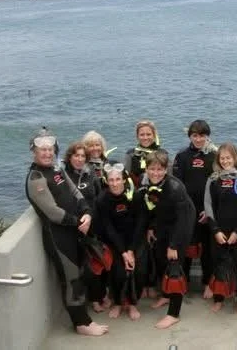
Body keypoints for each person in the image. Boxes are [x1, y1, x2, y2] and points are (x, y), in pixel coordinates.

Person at [25, 127, 108, 337]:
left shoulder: (56, 170)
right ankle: (81, 324)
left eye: (50, 149)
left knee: (80, 274)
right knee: (72, 279)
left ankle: (84, 319)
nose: (47, 153)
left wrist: (87, 212)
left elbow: (74, 192)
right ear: (34, 152)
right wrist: (79, 221)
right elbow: (52, 212)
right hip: (58, 237)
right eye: (42, 150)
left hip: (75, 232)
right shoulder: (36, 177)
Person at [133, 150, 195, 329]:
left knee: (174, 268)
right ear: (146, 169)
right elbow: (152, 208)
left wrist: (174, 245)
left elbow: (183, 219)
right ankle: (166, 296)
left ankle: (173, 314)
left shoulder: (175, 188)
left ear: (166, 169)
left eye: (160, 169)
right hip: (163, 224)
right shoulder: (147, 183)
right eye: (152, 169)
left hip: (181, 227)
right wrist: (151, 227)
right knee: (161, 260)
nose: (156, 173)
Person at [204, 143, 237, 317]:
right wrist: (216, 230)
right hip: (218, 231)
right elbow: (208, 205)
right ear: (218, 160)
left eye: (229, 157)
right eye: (222, 158)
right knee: (218, 266)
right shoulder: (212, 179)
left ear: (235, 158)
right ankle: (219, 299)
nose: (225, 161)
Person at [172, 119, 218, 299]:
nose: (198, 139)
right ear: (190, 136)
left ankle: (208, 283)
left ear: (208, 136)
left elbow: (217, 185)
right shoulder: (182, 156)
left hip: (208, 211)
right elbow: (177, 186)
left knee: (208, 250)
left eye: (202, 136)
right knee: (186, 250)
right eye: (195, 136)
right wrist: (186, 212)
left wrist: (209, 210)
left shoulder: (214, 155)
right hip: (187, 211)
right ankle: (183, 284)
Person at [61, 141, 109, 312]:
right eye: (76, 156)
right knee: (81, 267)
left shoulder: (90, 175)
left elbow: (98, 197)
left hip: (93, 225)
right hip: (73, 226)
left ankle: (98, 298)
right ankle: (85, 299)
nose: (80, 159)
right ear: (69, 157)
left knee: (97, 264)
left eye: (83, 156)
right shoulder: (63, 175)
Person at [96, 163, 142, 321]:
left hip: (134, 239)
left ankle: (132, 304)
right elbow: (108, 228)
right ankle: (117, 302)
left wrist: (131, 250)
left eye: (118, 179)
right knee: (118, 272)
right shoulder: (103, 199)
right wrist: (123, 252)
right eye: (111, 180)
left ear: (124, 180)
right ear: (106, 181)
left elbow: (140, 224)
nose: (114, 183)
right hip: (114, 240)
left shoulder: (134, 196)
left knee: (137, 270)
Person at [124, 120, 164, 186]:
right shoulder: (130, 154)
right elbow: (124, 177)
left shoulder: (162, 154)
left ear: (154, 135)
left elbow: (168, 179)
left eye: (148, 134)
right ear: (137, 136)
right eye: (142, 135)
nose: (145, 138)